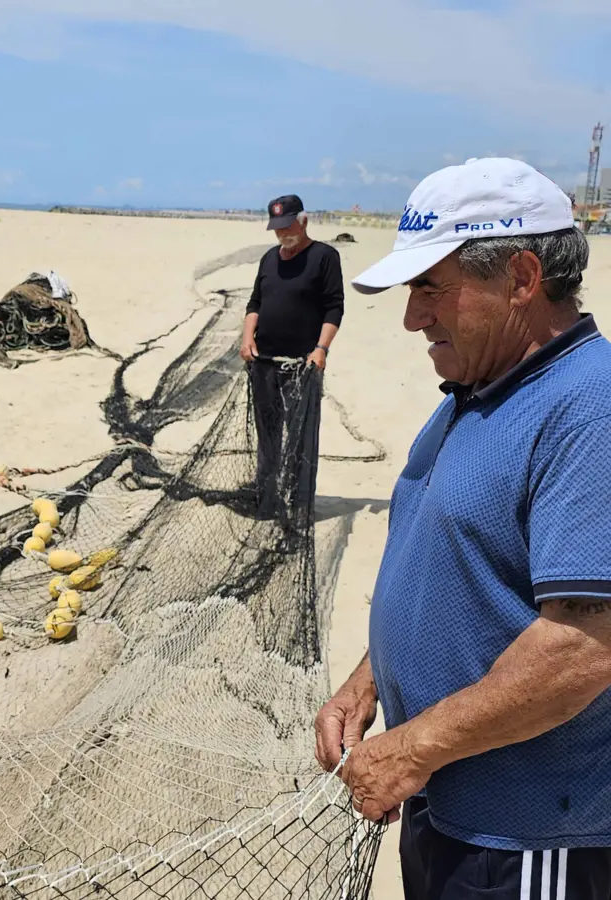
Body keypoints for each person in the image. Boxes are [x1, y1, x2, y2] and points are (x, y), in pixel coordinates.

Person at [314, 158, 611, 899]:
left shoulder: (588, 410)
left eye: (431, 289)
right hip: (444, 804)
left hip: (529, 836)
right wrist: (372, 676)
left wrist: (413, 749)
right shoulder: (475, 390)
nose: (414, 317)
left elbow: (585, 645)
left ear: (519, 279)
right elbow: (458, 562)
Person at [240, 194, 344, 522]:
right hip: (264, 362)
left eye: (287, 226)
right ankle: (268, 499)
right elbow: (255, 302)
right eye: (276, 228)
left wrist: (321, 349)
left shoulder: (325, 257)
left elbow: (334, 307)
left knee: (301, 437)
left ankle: (299, 506)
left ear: (303, 221)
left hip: (302, 365)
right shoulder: (270, 258)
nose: (282, 234)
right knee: (268, 434)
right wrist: (246, 340)